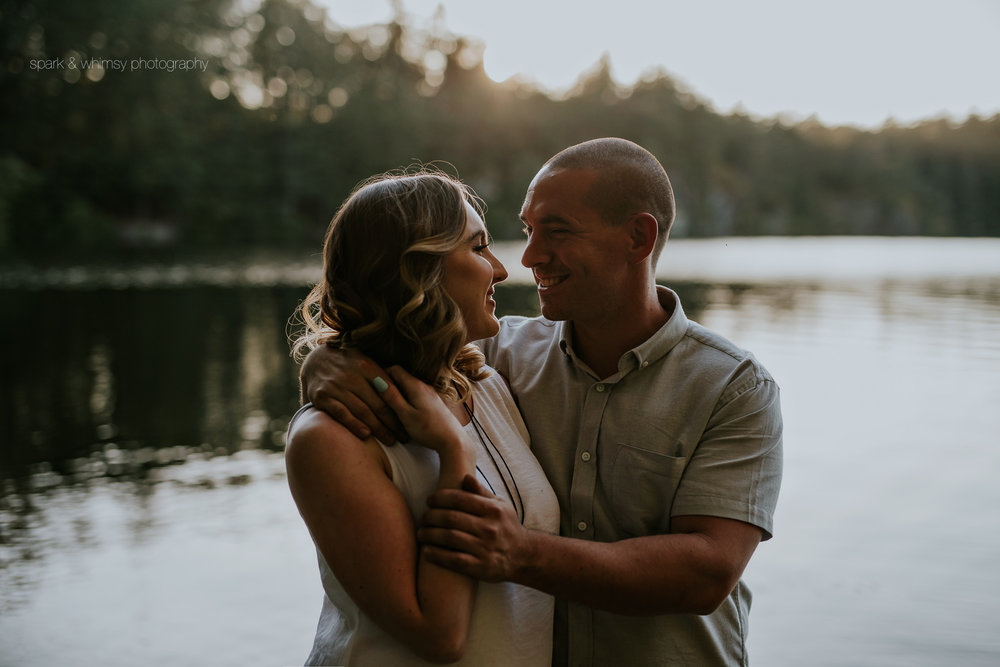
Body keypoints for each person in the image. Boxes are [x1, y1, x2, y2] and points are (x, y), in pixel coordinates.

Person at [300, 138, 783, 666]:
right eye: (528, 231)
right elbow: (392, 340)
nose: (526, 258)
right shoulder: (490, 358)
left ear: (638, 238)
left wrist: (521, 552)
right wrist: (327, 363)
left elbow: (705, 573)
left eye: (557, 231)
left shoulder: (734, 387)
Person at [285, 169, 560, 666]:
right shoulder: (332, 439)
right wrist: (453, 451)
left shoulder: (487, 385)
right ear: (419, 272)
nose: (500, 269)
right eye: (477, 248)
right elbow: (439, 637)